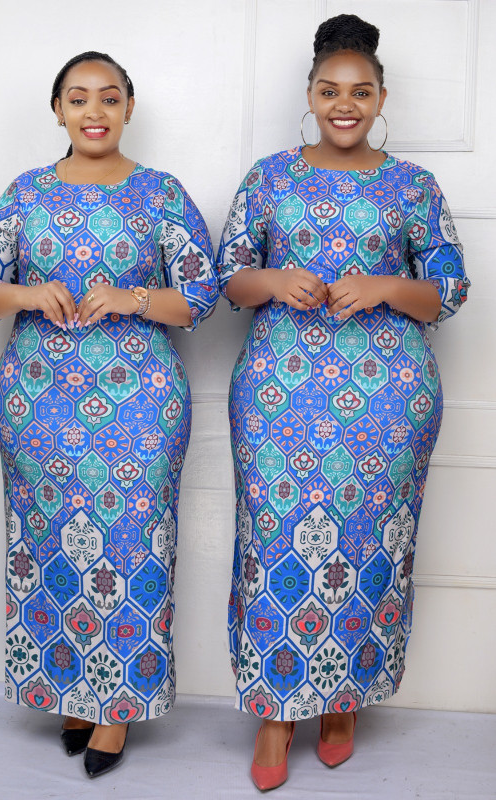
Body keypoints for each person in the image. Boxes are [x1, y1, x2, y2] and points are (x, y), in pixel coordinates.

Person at [216, 14, 469, 791]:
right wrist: (271, 280)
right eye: (329, 90)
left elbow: (449, 287)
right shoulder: (268, 177)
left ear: (381, 98)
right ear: (309, 95)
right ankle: (274, 713)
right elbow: (228, 277)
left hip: (386, 399)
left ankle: (341, 700)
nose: (344, 104)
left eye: (360, 92)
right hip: (278, 396)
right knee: (275, 551)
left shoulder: (411, 185)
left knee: (365, 550)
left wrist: (387, 285)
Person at [0, 51, 218, 778]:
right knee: (49, 546)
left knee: (132, 552)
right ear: (58, 111)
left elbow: (200, 296)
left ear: (128, 108)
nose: (94, 111)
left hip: (140, 404)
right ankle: (72, 691)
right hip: (37, 402)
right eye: (78, 99)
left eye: (109, 97)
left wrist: (132, 298)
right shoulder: (26, 193)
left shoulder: (160, 193)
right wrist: (28, 294)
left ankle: (117, 708)